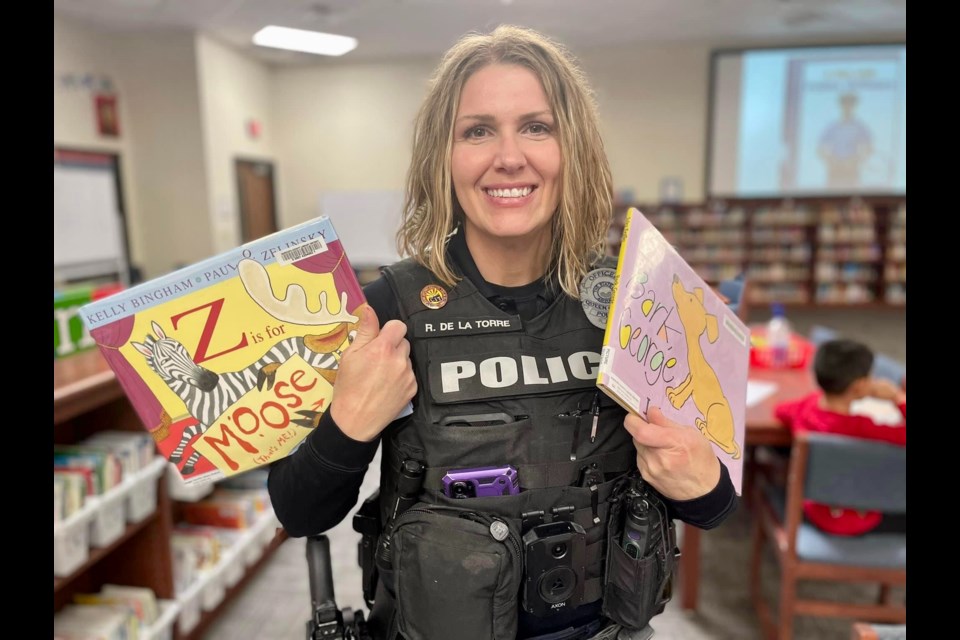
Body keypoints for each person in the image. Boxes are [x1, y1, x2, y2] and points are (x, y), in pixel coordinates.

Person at [269, 25, 737, 640]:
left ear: (574, 149)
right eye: (478, 130)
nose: (509, 156)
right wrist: (350, 424)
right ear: (445, 155)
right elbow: (299, 510)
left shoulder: (636, 301)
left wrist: (700, 478)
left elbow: (713, 506)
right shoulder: (384, 309)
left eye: (537, 127)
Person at [774, 338, 906, 536]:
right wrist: (898, 398)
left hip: (813, 512)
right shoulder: (863, 427)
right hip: (861, 517)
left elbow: (780, 411)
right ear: (860, 386)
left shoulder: (806, 408)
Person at [817, 92, 873, 189]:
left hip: (851, 168)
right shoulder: (833, 127)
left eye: (850, 104)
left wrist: (856, 160)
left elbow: (869, 148)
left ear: (854, 107)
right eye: (845, 104)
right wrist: (831, 160)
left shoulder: (859, 127)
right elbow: (820, 149)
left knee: (853, 194)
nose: (847, 107)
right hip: (835, 168)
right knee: (831, 195)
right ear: (841, 106)